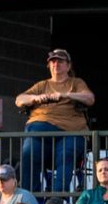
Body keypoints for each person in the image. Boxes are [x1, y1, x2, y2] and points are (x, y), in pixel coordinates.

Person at [14, 48, 94, 195]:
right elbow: (19, 100)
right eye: (53, 61)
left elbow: (89, 98)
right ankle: (30, 197)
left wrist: (64, 94)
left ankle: (58, 196)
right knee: (28, 153)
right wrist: (35, 98)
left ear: (68, 66)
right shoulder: (42, 85)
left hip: (71, 130)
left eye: (60, 61)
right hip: (41, 129)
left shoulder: (76, 83)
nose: (56, 64)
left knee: (66, 153)